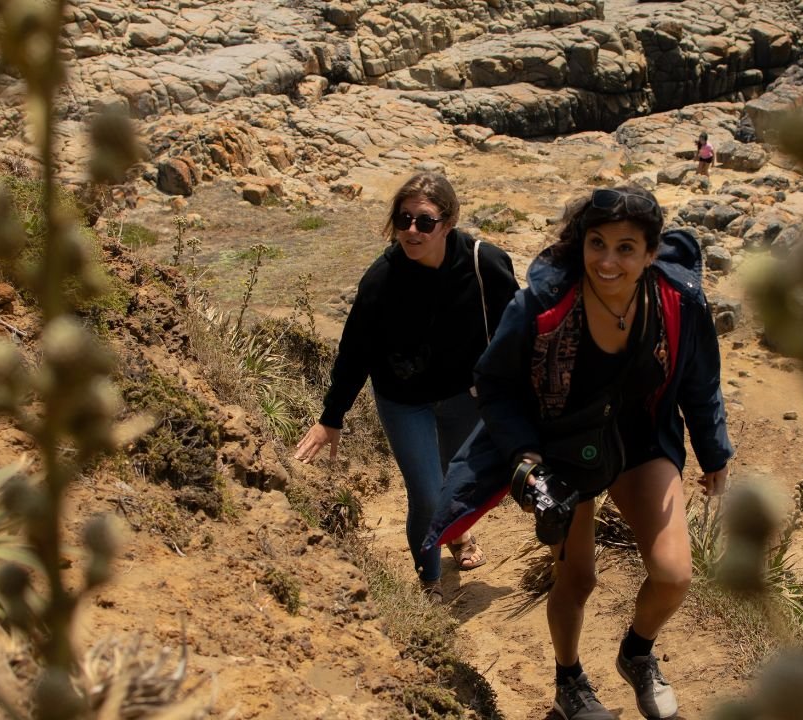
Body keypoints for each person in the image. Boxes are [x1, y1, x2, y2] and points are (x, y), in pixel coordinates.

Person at [427, 185, 733, 719]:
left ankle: (637, 653)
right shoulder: (545, 303)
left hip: (642, 440)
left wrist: (714, 454)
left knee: (673, 574)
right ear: (581, 242)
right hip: (564, 448)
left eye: (625, 248)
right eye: (597, 244)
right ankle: (569, 682)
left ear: (651, 252)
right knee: (578, 577)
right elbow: (494, 383)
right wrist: (526, 459)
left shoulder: (678, 301)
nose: (608, 261)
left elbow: (700, 382)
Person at [293, 171, 519, 604]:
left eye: (425, 221)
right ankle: (429, 580)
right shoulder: (381, 279)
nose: (412, 230)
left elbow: (517, 330)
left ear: (448, 223)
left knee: (454, 481)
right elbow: (354, 351)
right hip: (403, 400)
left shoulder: (484, 264)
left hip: (464, 395)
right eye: (404, 219)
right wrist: (331, 417)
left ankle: (457, 535)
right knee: (427, 492)